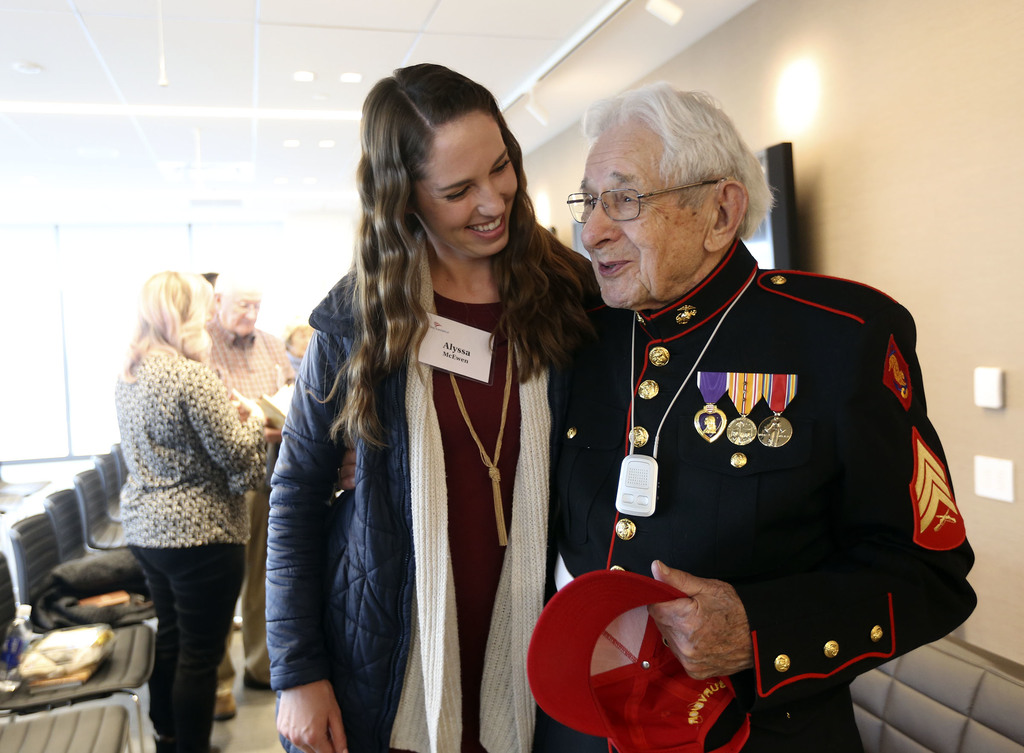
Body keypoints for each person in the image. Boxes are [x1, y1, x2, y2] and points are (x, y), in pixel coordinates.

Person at [536, 84, 977, 752]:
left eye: (624, 199)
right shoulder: (581, 338)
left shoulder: (841, 338)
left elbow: (929, 573)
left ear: (720, 211)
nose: (592, 230)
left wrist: (759, 629)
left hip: (760, 732)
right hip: (583, 728)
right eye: (589, 201)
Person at [265, 63, 598, 753]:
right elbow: (295, 493)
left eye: (500, 167)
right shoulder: (358, 321)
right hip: (385, 660)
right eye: (457, 190)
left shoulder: (573, 295)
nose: (493, 200)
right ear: (405, 199)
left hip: (536, 651)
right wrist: (298, 671)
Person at [115, 271, 266, 753]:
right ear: (179, 316)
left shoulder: (129, 373)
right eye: (201, 309)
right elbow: (242, 466)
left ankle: (169, 737)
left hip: (147, 531)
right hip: (202, 534)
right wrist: (255, 420)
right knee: (201, 654)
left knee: (173, 638)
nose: (205, 319)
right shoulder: (191, 376)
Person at [206, 273, 294, 717]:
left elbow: (297, 394)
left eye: (257, 306)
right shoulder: (201, 345)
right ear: (218, 300)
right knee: (222, 582)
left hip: (269, 473)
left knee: (264, 573)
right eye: (243, 306)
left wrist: (283, 419)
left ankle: (262, 666)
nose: (251, 315)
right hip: (220, 484)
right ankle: (219, 678)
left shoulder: (273, 344)